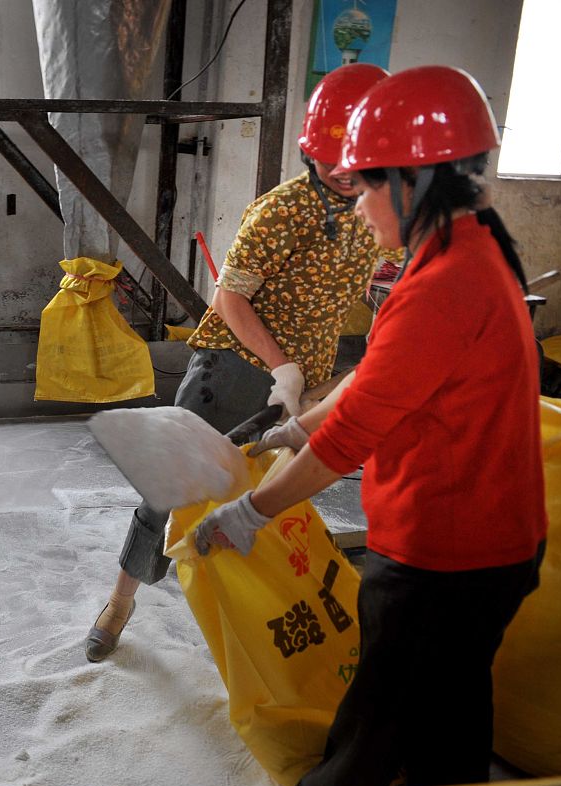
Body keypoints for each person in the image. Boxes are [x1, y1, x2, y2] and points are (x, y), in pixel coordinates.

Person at [194, 66, 546, 786]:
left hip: (443, 552)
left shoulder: (444, 280)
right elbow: (377, 376)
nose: (356, 209)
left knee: (375, 726)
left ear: (417, 181)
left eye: (367, 184)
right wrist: (297, 431)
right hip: (489, 541)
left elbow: (353, 433)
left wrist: (251, 512)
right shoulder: (469, 245)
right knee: (449, 713)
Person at [85, 63, 397, 662]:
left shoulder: (376, 209)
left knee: (275, 499)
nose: (342, 172)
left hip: (306, 377)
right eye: (330, 159)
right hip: (233, 368)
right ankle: (120, 600)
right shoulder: (281, 210)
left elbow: (367, 280)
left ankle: (256, 619)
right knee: (169, 487)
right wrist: (281, 365)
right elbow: (230, 298)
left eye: (354, 161)